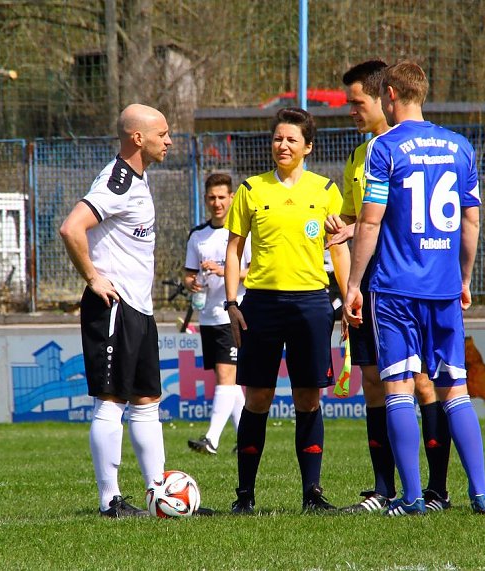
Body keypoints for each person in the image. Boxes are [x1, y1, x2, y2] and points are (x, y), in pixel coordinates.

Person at [345, 61, 485, 516]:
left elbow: (369, 222)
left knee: (397, 389)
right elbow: (471, 221)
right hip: (444, 287)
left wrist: (354, 283)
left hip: (394, 288)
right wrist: (464, 278)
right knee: (455, 390)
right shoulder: (460, 146)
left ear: (390, 93)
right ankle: (481, 495)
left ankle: (411, 498)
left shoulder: (383, 147)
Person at [60, 104, 208, 518]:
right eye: (162, 133)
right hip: (113, 305)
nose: (170, 140)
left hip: (138, 310)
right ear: (137, 138)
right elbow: (72, 227)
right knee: (111, 401)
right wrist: (92, 277)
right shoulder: (117, 180)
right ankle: (110, 500)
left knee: (146, 401)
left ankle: (158, 494)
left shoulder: (139, 181)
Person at [326, 60, 453, 514]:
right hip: (370, 291)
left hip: (408, 286)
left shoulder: (411, 149)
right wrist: (347, 281)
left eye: (357, 102)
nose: (351, 111)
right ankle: (383, 490)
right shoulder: (359, 157)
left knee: (422, 383)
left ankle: (436, 489)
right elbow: (354, 221)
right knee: (374, 384)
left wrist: (358, 224)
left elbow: (399, 218)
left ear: (385, 97)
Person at [223, 107, 350, 514]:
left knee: (308, 398)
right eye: (278, 138)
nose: (283, 145)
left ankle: (312, 494)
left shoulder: (326, 190)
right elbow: (234, 249)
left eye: (292, 139)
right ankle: (245, 496)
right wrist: (231, 303)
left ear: (307, 147)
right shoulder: (250, 189)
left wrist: (348, 299)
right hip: (261, 303)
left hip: (312, 304)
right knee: (257, 397)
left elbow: (339, 247)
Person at [185, 173, 250, 455]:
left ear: (232, 198)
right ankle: (245, 437)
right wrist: (192, 283)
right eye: (212, 197)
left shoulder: (241, 233)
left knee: (226, 376)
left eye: (222, 197)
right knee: (229, 382)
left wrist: (227, 271)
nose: (217, 203)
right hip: (208, 316)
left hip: (232, 314)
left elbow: (256, 271)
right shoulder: (197, 236)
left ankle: (211, 438)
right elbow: (188, 274)